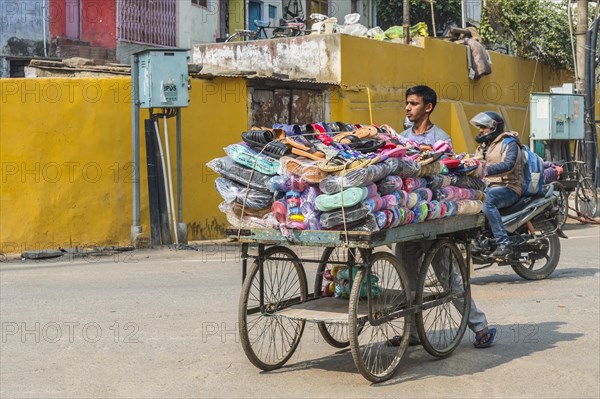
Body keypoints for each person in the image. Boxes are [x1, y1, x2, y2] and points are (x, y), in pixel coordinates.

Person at [391, 86, 497, 349]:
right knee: (408, 280)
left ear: (428, 107)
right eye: (407, 103)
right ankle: (413, 333)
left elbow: (444, 179)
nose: (407, 108)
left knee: (449, 279)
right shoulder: (401, 137)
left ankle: (479, 326)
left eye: (413, 103)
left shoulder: (441, 138)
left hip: (434, 223)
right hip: (408, 220)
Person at [470, 111, 524, 257]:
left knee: (487, 201)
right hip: (488, 186)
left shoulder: (509, 143)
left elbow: (508, 165)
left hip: (509, 187)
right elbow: (477, 162)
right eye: (480, 127)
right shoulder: (484, 146)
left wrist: (484, 170)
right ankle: (475, 239)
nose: (481, 130)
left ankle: (504, 243)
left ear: (494, 127)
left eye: (484, 127)